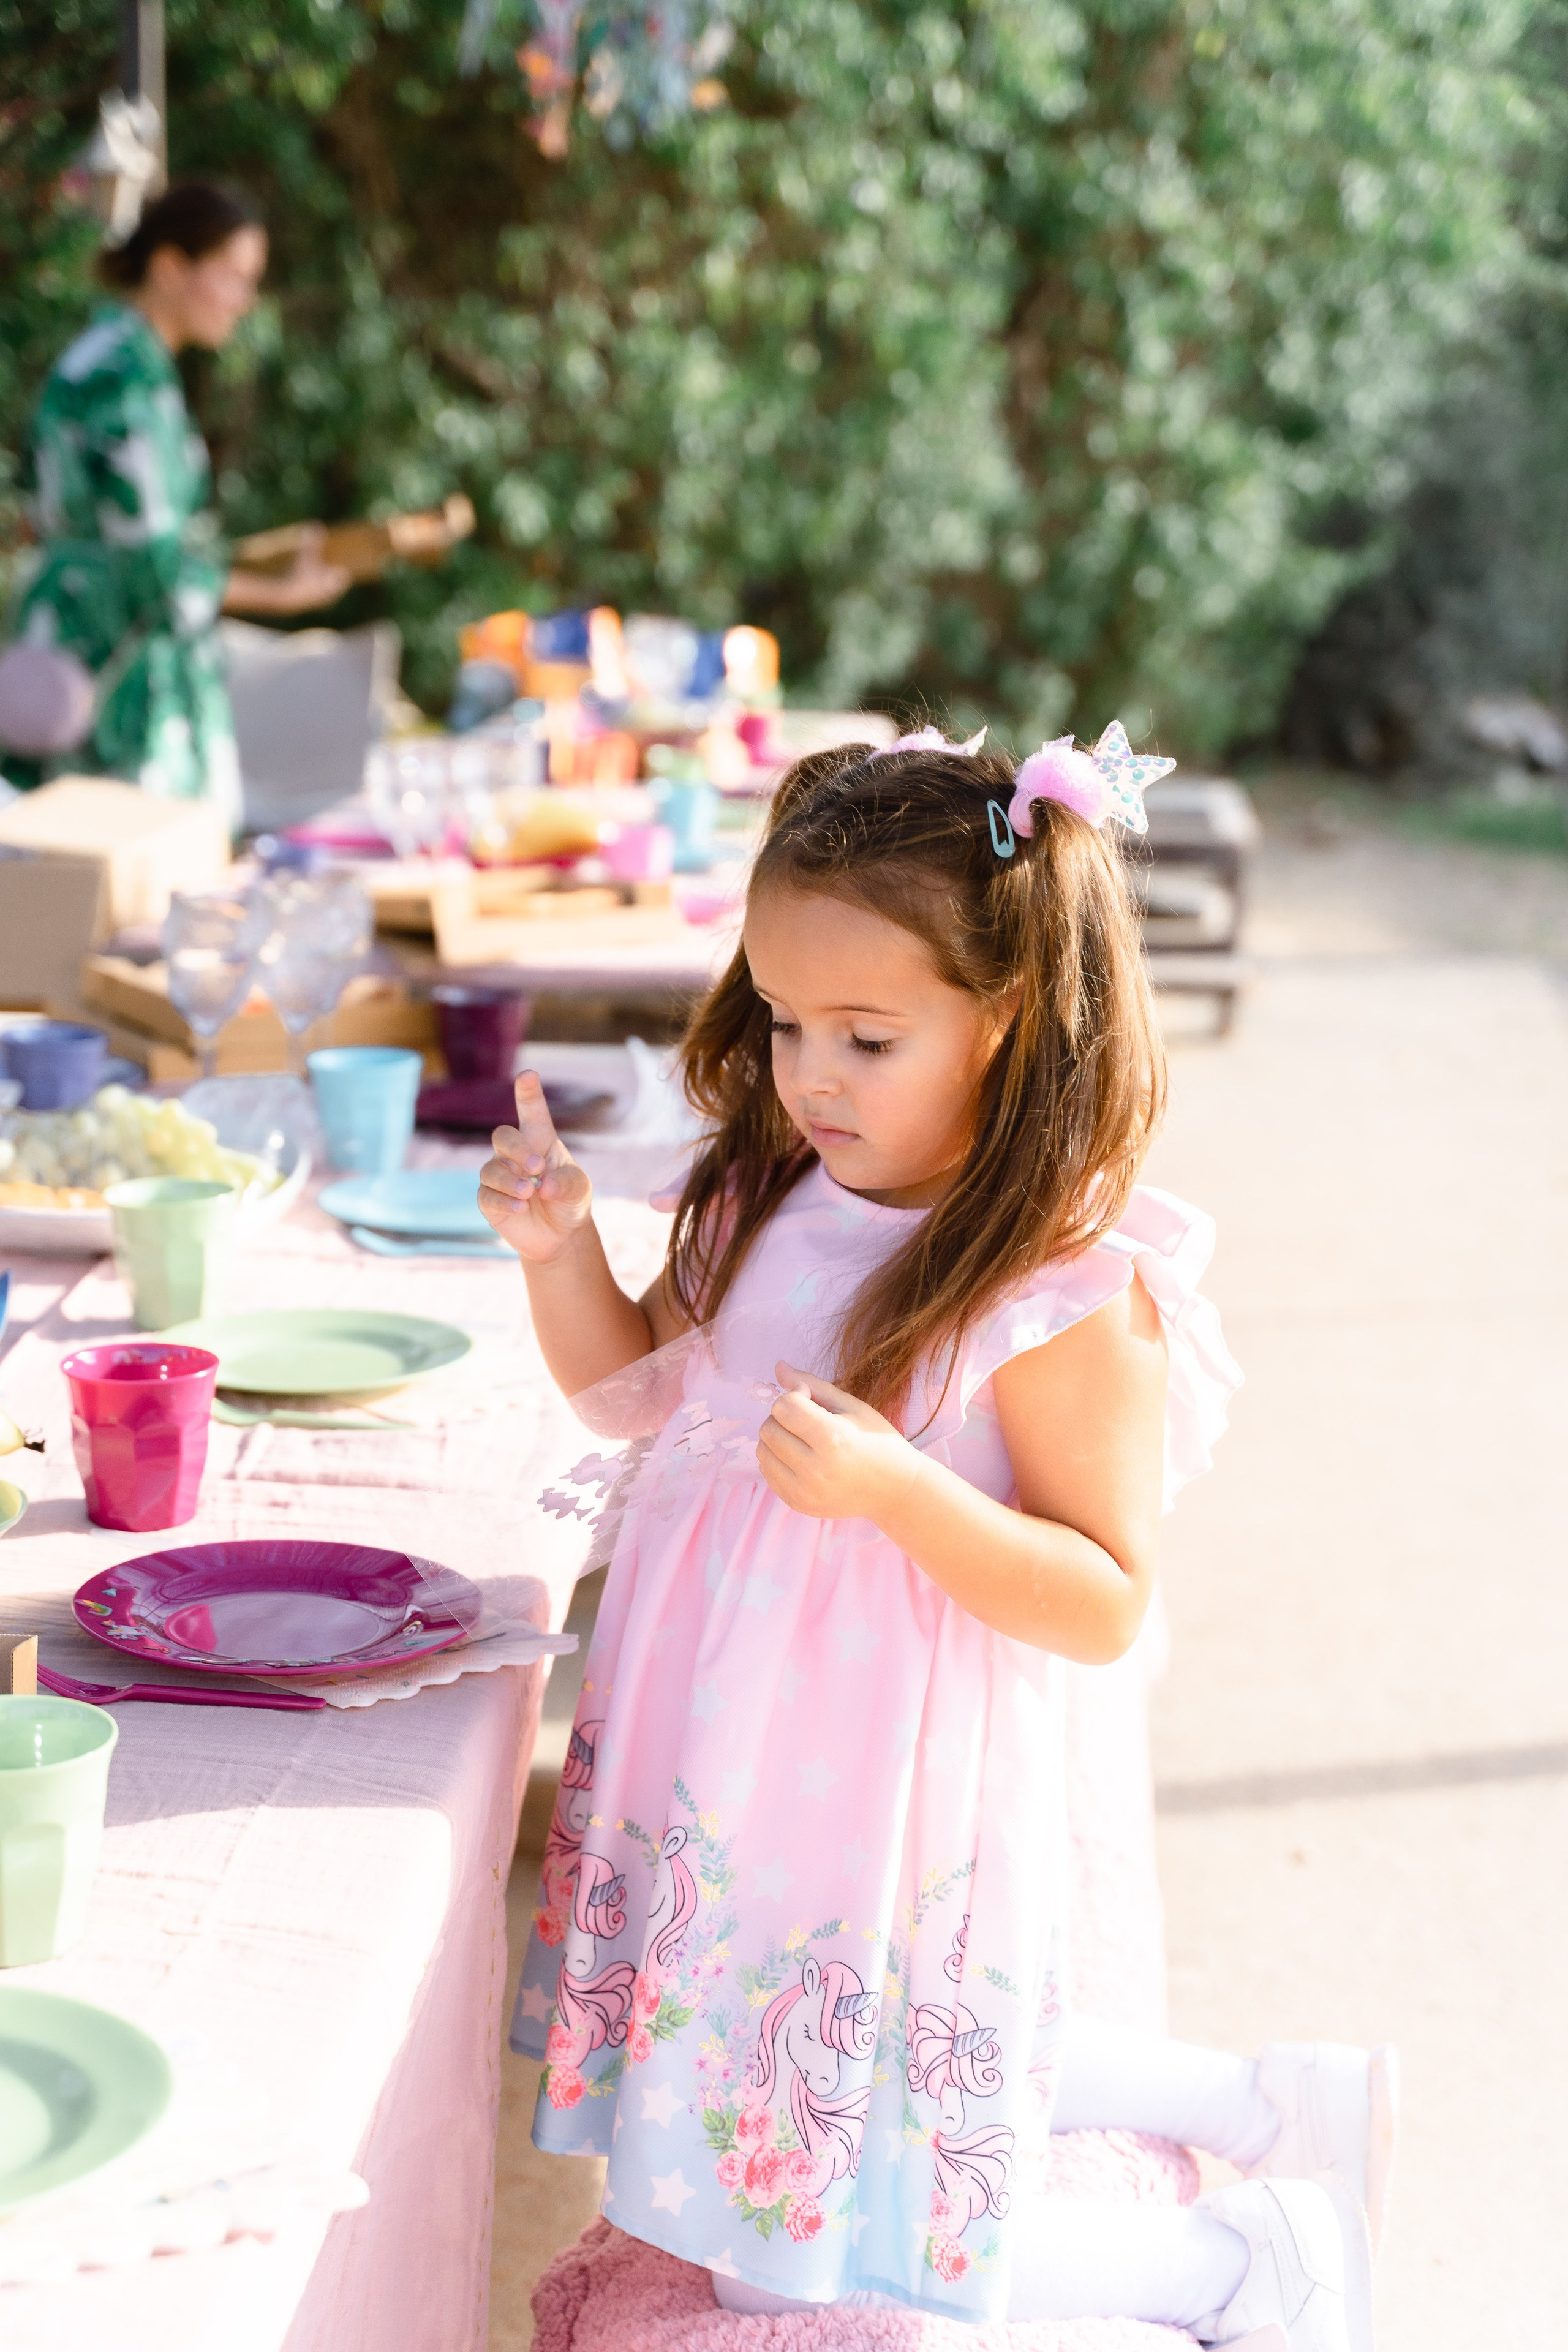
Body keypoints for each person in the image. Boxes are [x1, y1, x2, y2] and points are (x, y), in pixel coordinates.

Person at [480, 725, 1396, 2347]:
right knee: (833, 2089)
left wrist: (900, 1490)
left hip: (879, 1804)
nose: (810, 1073)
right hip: (723, 1774)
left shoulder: (1053, 1291)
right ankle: (1264, 2104)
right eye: (779, 1021)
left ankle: (1241, 2265)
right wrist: (558, 1255)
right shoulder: (766, 1193)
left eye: (867, 1034)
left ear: (1008, 1020)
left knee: (796, 2234)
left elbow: (1106, 1599)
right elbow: (632, 1393)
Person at [7, 181, 349, 815]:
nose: (244, 301)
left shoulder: (102, 355)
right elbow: (156, 570)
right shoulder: (127, 377)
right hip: (115, 672)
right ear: (169, 267)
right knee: (129, 881)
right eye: (232, 277)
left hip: (65, 647)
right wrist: (283, 594)